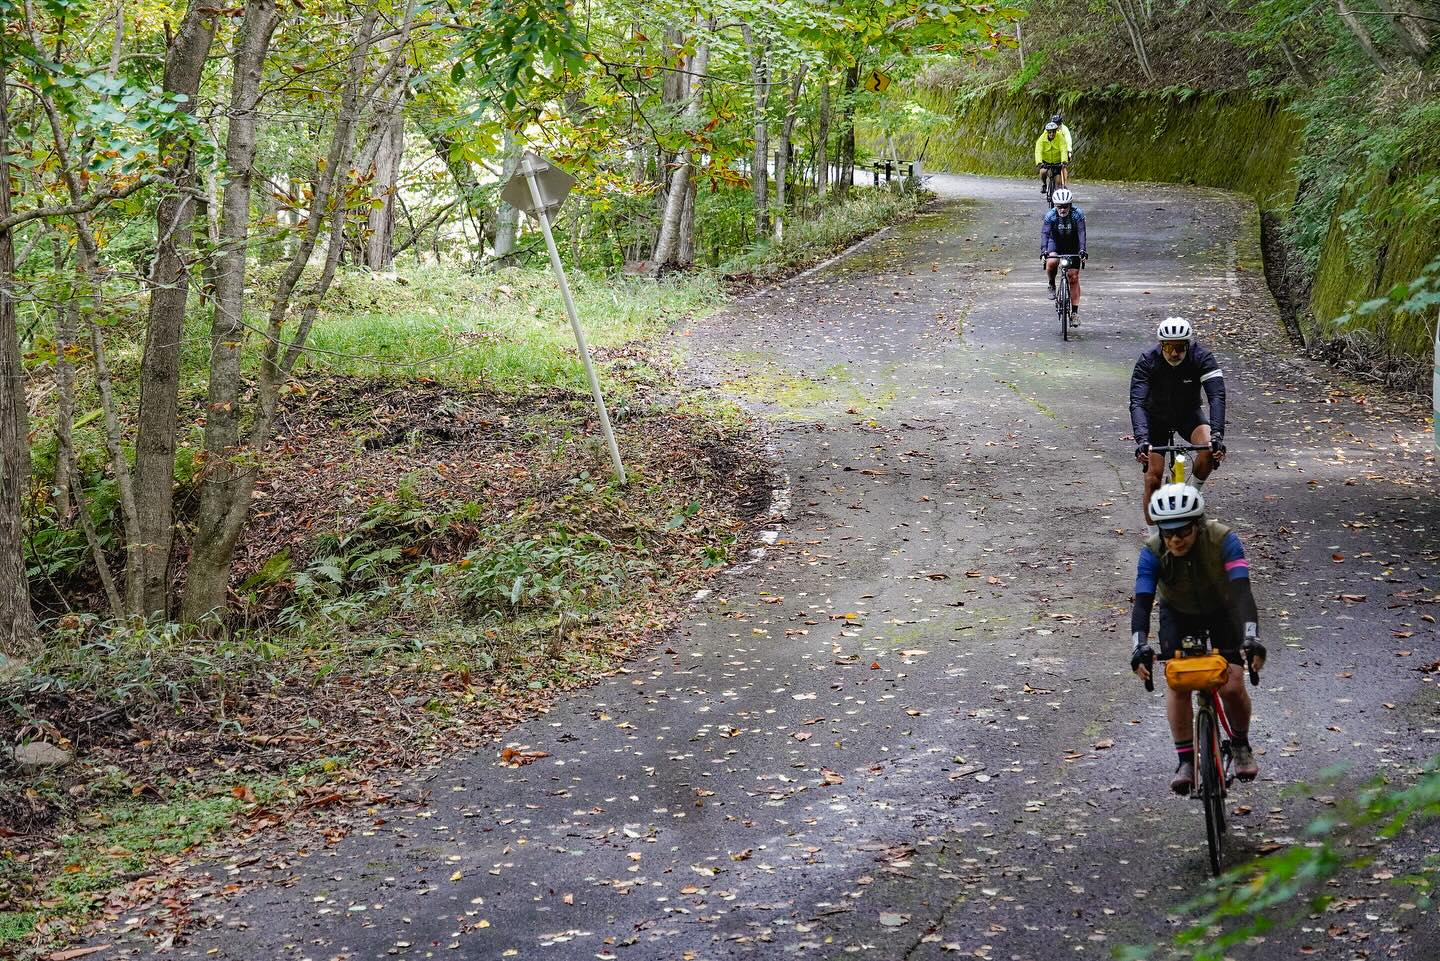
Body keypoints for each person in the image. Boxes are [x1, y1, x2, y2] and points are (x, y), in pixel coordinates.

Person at [1130, 484, 1267, 795]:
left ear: (1199, 524)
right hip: (1178, 613)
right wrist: (1138, 646)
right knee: (1178, 681)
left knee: (1232, 684)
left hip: (1223, 609)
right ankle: (1186, 761)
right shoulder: (1152, 551)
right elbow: (1142, 602)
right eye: (1168, 532)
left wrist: (1252, 637)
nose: (1175, 539)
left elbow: (1242, 591)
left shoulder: (1223, 539)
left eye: (1183, 531)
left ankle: (1241, 745)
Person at [1130, 317, 1227, 523]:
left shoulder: (1202, 357)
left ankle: (1192, 494)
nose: (1174, 353)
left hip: (1188, 415)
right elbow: (1137, 403)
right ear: (1161, 345)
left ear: (1188, 345)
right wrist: (1142, 440)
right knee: (1153, 478)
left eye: (1180, 347)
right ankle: (1153, 534)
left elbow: (1216, 397)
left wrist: (1218, 435)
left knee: (1208, 449)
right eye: (1168, 347)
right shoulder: (1147, 360)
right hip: (1155, 418)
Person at [1040, 188, 1086, 324]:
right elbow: (1045, 234)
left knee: (1073, 277)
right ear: (1055, 206)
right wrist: (1043, 251)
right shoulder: (1050, 215)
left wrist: (1082, 250)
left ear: (1070, 205)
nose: (1062, 210)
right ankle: (1051, 284)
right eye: (1059, 206)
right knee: (1052, 262)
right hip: (1055, 243)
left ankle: (1075, 313)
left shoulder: (1077, 214)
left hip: (1073, 244)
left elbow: (1082, 233)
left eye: (1065, 206)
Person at [1034, 120, 1069, 192]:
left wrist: (1064, 161)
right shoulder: (1042, 139)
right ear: (1047, 132)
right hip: (1046, 161)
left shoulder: (1060, 137)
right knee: (1043, 172)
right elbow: (1038, 151)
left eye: (1053, 132)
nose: (1051, 134)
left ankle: (1056, 194)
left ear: (1056, 131)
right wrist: (1039, 162)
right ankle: (1044, 185)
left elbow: (1063, 149)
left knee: (1058, 182)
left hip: (1057, 161)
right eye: (1049, 132)